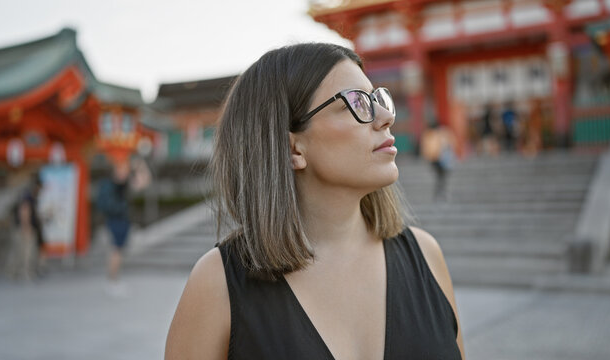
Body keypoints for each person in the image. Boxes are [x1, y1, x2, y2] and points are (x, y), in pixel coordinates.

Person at [166, 43, 464, 359]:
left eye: (377, 98)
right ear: (292, 148)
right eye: (357, 103)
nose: (386, 116)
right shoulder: (218, 284)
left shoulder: (426, 255)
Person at [97, 158, 150, 296]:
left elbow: (144, 183)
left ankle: (113, 280)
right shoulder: (116, 184)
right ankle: (112, 281)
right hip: (117, 220)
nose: (124, 170)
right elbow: (141, 183)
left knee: (117, 250)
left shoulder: (120, 184)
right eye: (121, 167)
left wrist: (140, 166)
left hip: (118, 220)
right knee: (116, 250)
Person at [7, 173, 46, 281]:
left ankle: (17, 273)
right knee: (25, 251)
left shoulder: (30, 195)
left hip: (24, 227)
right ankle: (22, 273)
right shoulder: (28, 195)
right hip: (24, 227)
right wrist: (26, 227)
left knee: (22, 250)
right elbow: (25, 211)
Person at [421, 122, 456, 202]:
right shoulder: (438, 134)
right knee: (441, 177)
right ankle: (440, 193)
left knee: (440, 177)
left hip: (436, 159)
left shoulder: (430, 135)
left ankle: (439, 193)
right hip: (438, 159)